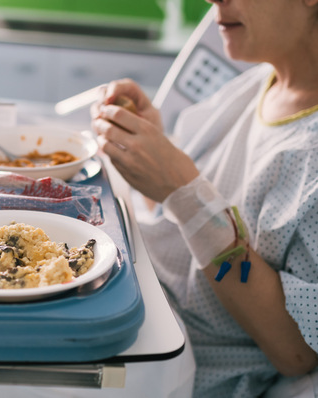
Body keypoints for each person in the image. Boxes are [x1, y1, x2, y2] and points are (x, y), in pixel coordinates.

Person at [91, 0, 318, 396]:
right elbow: (190, 208)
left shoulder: (308, 148)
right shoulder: (260, 83)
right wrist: (155, 148)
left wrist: (183, 189)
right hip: (138, 296)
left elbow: (295, 351)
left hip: (176, 360)